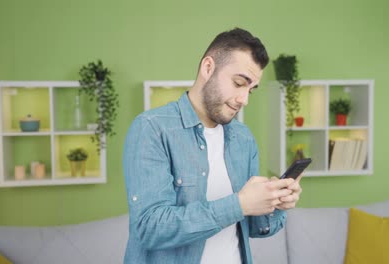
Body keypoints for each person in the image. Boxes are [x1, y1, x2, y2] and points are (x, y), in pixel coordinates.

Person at [123, 27, 302, 264]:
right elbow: (149, 228)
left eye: (251, 89)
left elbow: (253, 228)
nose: (244, 99)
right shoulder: (152, 128)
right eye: (239, 83)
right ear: (208, 68)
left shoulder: (243, 138)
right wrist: (239, 204)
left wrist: (275, 203)